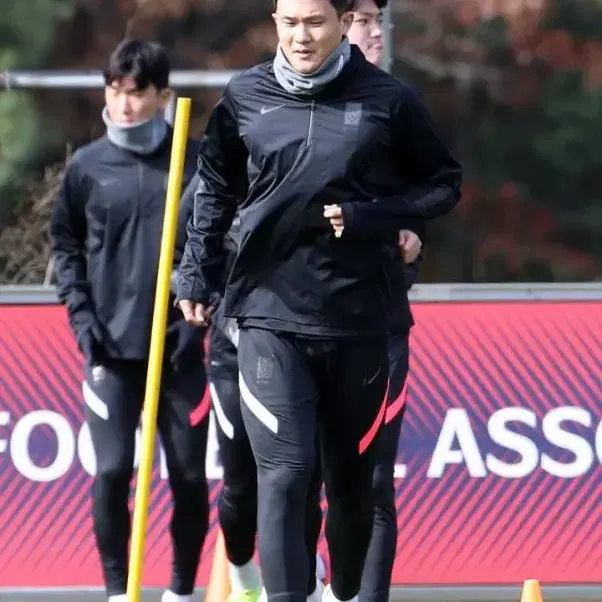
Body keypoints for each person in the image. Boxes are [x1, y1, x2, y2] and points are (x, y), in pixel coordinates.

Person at [177, 1, 462, 602]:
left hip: (360, 319)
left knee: (354, 486)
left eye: (314, 22)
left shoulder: (388, 99)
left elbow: (443, 183)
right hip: (266, 313)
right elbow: (216, 189)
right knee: (285, 473)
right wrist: (195, 275)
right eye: (289, 22)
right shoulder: (245, 96)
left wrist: (372, 216)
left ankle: (345, 591)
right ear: (274, 21)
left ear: (340, 24)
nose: (301, 36)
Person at [50, 40, 209, 602]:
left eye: (136, 92)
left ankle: (180, 592)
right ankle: (120, 593)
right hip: (111, 351)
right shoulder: (87, 167)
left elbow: (221, 242)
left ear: (163, 96)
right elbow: (65, 246)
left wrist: (200, 316)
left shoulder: (195, 163)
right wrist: (82, 319)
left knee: (190, 478)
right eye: (114, 90)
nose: (122, 103)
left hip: (180, 351)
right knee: (114, 470)